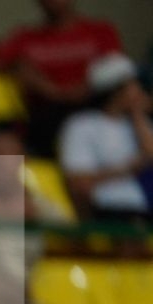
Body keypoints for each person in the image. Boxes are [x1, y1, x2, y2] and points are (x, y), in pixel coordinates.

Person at [0, 0, 125, 158]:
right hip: (44, 121)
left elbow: (118, 73)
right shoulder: (25, 38)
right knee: (1, 147)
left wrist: (66, 91)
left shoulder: (100, 31)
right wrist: (16, 70)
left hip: (93, 118)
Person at [58, 52, 153, 221]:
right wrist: (129, 169)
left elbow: (150, 154)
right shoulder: (81, 125)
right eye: (134, 85)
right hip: (109, 207)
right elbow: (78, 181)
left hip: (144, 203)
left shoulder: (138, 124)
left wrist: (137, 113)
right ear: (116, 91)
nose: (140, 91)